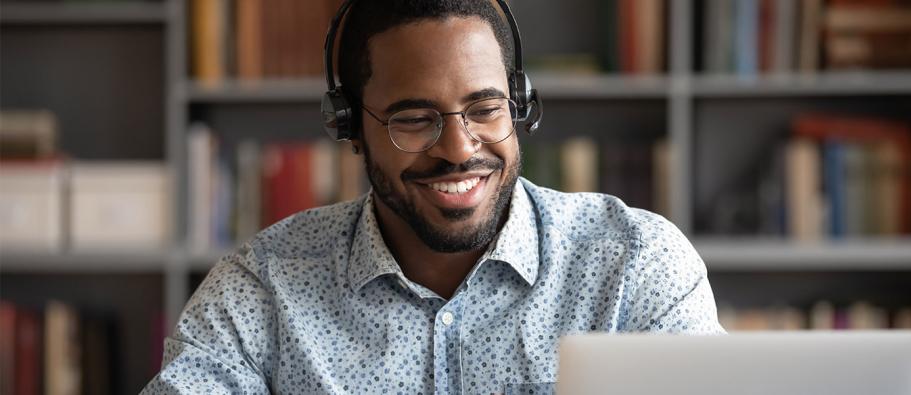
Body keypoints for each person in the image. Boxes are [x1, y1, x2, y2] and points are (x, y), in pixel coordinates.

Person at [142, 1, 724, 393]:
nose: (457, 148)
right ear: (349, 128)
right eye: (415, 119)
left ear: (518, 106)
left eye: (485, 108)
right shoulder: (264, 287)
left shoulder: (635, 263)